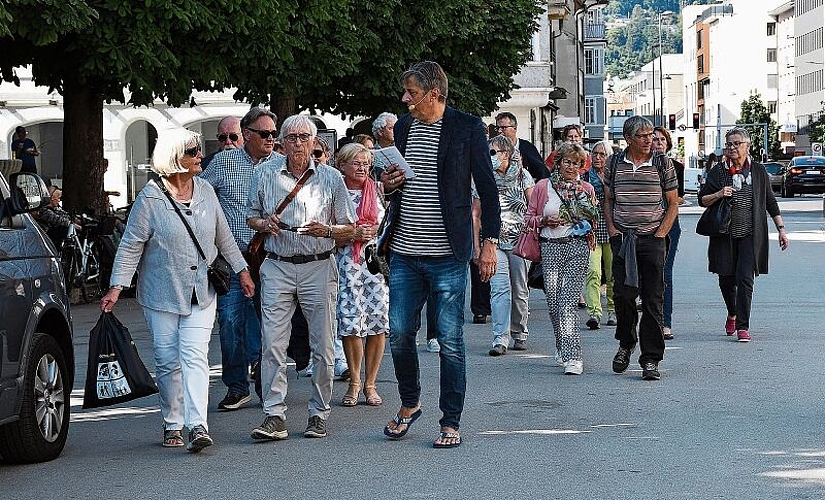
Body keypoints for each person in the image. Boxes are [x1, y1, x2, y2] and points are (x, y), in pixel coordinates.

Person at [101, 128, 254, 452]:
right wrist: (116, 287)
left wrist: (242, 271)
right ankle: (173, 422)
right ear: (174, 158)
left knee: (194, 356)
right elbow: (130, 246)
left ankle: (198, 424)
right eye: (193, 151)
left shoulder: (206, 191)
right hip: (162, 292)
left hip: (202, 289)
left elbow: (223, 236)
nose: (200, 156)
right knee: (168, 360)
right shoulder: (151, 198)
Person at [379, 61, 500, 449]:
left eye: (411, 92)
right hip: (403, 252)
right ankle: (410, 403)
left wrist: (490, 242)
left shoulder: (467, 127)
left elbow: (487, 188)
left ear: (433, 93)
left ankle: (450, 421)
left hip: (447, 252)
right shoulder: (402, 127)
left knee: (449, 339)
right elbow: (393, 188)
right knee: (399, 334)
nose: (405, 100)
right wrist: (388, 183)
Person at [247, 115, 357, 441]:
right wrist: (264, 224)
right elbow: (251, 217)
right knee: (272, 345)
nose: (297, 143)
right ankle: (274, 415)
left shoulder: (332, 178)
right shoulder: (264, 173)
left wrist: (328, 230)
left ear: (313, 142)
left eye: (303, 137)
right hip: (278, 264)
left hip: (319, 264)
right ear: (281, 142)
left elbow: (349, 229)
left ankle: (318, 413)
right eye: (291, 137)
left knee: (322, 344)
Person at [200, 107, 278, 410]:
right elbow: (198, 195)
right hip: (233, 258)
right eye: (265, 134)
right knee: (230, 321)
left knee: (270, 321)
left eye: (274, 133)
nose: (271, 139)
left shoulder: (282, 166)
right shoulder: (222, 162)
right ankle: (236, 385)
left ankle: (266, 382)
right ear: (247, 136)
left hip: (272, 258)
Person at [604, 116, 679, 381]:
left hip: (652, 238)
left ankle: (651, 359)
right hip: (624, 238)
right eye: (643, 135)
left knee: (652, 299)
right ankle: (626, 343)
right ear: (628, 139)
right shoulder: (614, 163)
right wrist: (612, 230)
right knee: (623, 296)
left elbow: (672, 203)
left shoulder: (662, 163)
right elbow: (608, 200)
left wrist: (660, 235)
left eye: (651, 134)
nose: (649, 140)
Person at [698, 127, 789, 342]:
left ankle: (743, 326)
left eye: (736, 143)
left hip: (751, 234)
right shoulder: (718, 172)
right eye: (728, 144)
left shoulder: (757, 171)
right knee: (726, 279)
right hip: (724, 233)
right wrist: (719, 193)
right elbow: (702, 199)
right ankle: (732, 312)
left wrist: (781, 229)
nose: (731, 148)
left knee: (745, 278)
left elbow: (769, 201)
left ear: (747, 146)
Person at [525, 143, 598, 374]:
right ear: (558, 163)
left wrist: (582, 223)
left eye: (576, 163)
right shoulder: (542, 187)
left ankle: (573, 357)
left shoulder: (586, 189)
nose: (571, 167)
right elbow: (528, 219)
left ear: (582, 166)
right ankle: (562, 344)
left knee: (567, 303)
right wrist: (544, 221)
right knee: (554, 303)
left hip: (577, 246)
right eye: (567, 162)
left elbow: (593, 221)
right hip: (550, 247)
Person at [332, 143, 388, 407]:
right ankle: (354, 381)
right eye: (356, 162)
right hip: (346, 262)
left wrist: (375, 229)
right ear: (342, 165)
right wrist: (351, 233)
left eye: (366, 163)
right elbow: (327, 227)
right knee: (351, 323)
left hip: (374, 264)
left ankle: (371, 383)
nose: (363, 167)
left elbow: (387, 222)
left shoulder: (376, 189)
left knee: (378, 321)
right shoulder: (335, 191)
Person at [475, 134, 534, 356]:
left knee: (519, 288)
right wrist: (477, 247)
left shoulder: (522, 175)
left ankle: (520, 332)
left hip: (520, 240)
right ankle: (500, 338)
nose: (489, 157)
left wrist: (533, 233)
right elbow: (476, 214)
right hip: (494, 241)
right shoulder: (483, 177)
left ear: (506, 154)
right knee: (499, 288)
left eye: (493, 152)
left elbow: (533, 207)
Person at [653, 127, 685, 340]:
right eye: (654, 139)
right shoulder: (644, 166)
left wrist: (669, 203)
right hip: (646, 225)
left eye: (662, 139)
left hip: (670, 224)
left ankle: (666, 322)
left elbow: (679, 197)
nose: (658, 143)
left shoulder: (676, 167)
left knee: (665, 273)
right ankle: (651, 317)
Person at [583, 140, 616, 330]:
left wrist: (605, 184)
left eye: (602, 154)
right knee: (593, 272)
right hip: (592, 230)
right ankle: (594, 312)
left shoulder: (614, 177)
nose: (597, 157)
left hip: (611, 228)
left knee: (613, 274)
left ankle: (613, 310)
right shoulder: (585, 177)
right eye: (595, 154)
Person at [494, 112, 546, 181]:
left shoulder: (527, 147)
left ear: (515, 128)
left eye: (503, 127)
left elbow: (542, 173)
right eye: (497, 128)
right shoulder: (492, 148)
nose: (499, 131)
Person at [371, 112, 398, 181]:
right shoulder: (372, 152)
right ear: (380, 132)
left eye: (396, 127)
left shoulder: (401, 148)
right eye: (391, 128)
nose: (395, 130)